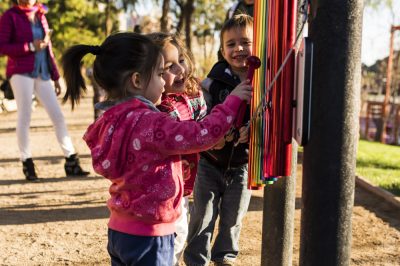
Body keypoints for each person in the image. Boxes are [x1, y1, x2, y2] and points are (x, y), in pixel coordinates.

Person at [61, 32, 252, 266]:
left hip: (119, 230)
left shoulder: (111, 119)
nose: (164, 81)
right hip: (150, 234)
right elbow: (201, 135)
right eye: (160, 74)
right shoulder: (151, 123)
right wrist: (231, 102)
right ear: (137, 81)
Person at [184, 14, 254, 266]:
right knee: (202, 216)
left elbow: (267, 115)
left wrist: (252, 130)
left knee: (234, 216)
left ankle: (224, 257)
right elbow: (203, 118)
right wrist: (220, 134)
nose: (238, 49)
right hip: (210, 162)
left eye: (245, 42)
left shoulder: (264, 80)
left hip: (242, 165)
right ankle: (195, 259)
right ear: (222, 50)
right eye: (231, 44)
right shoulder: (212, 83)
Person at [0, 0, 89, 181]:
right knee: (24, 116)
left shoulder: (41, 14)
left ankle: (71, 161)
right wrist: (30, 46)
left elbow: (48, 48)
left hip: (43, 73)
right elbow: (2, 47)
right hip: (21, 72)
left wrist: (56, 77)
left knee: (58, 116)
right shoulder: (10, 16)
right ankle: (27, 163)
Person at [147, 32, 207, 266]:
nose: (180, 70)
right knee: (172, 234)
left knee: (180, 233)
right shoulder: (154, 107)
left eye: (181, 60)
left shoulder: (193, 94)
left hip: (183, 182)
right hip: (161, 187)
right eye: (169, 67)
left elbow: (205, 123)